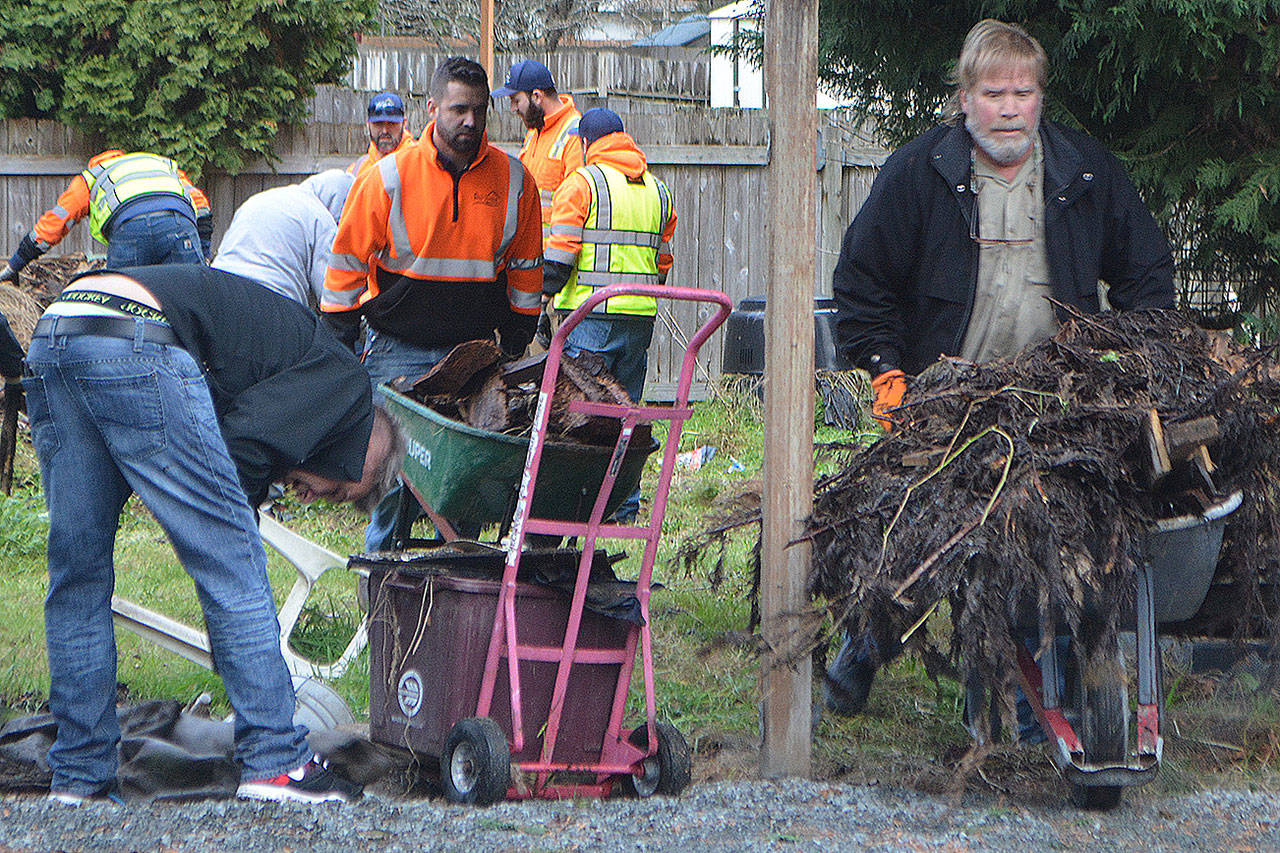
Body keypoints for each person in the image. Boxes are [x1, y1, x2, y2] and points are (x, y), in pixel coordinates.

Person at [827, 19, 1174, 718]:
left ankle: (1042, 703)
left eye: (1022, 91)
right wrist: (886, 371)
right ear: (964, 99)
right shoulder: (922, 174)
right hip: (947, 396)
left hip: (1056, 400)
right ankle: (858, 654)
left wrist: (1132, 363)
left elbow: (1147, 275)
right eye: (993, 93)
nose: (1009, 107)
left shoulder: (1084, 173)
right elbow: (862, 282)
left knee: (1056, 546)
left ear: (1041, 98)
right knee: (923, 534)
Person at [24, 265, 405, 805]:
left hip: (60, 331)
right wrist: (232, 525)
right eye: (339, 492)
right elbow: (243, 441)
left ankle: (80, 776)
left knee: (77, 575)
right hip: (136, 336)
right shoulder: (346, 388)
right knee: (235, 563)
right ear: (368, 452)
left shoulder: (301, 364)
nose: (313, 496)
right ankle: (275, 760)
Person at [322, 56, 543, 550]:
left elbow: (526, 265)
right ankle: (380, 584)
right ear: (432, 108)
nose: (470, 121)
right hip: (398, 348)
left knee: (463, 483)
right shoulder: (389, 176)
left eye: (480, 111)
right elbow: (347, 257)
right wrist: (337, 328)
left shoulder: (515, 180)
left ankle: (452, 582)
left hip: (475, 353)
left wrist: (520, 331)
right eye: (459, 109)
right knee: (390, 478)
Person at [543, 108, 676, 514]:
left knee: (580, 414)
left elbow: (560, 258)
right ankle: (623, 505)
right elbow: (662, 263)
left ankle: (574, 503)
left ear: (584, 144)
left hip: (588, 317)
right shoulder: (658, 190)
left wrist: (538, 301)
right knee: (627, 411)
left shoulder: (581, 183)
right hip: (639, 319)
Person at [0, 150, 212, 283]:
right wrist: (202, 257)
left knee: (125, 305)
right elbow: (201, 208)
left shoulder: (93, 176)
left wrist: (15, 265)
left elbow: (54, 224)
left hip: (130, 230)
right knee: (191, 299)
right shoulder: (164, 166)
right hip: (178, 224)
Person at [212, 169, 355, 310]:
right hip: (272, 304)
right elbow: (332, 295)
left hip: (220, 290)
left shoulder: (260, 199)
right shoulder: (321, 218)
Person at [493, 59, 585, 237]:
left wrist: (557, 259)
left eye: (515, 100)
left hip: (553, 254)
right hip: (530, 250)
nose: (513, 108)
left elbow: (577, 204)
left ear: (536, 96)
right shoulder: (534, 132)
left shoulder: (574, 133)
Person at [347, 91, 414, 179]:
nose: (385, 131)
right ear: (368, 125)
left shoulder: (419, 165)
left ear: (404, 123)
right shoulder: (357, 170)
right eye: (378, 124)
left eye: (391, 124)